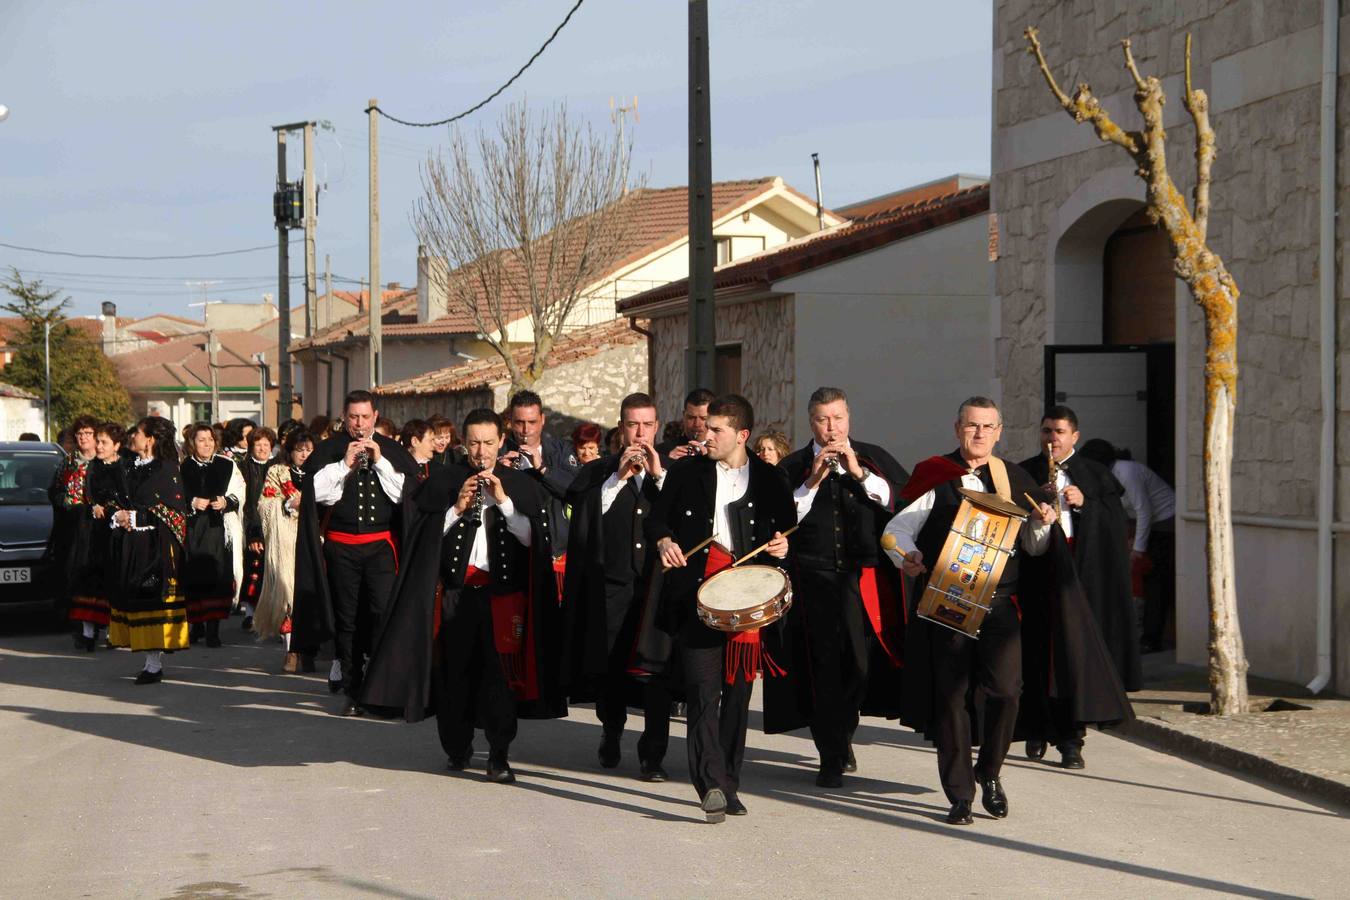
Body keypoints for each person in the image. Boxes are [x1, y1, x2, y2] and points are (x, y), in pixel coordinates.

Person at [883, 397, 1132, 826]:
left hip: (1000, 606)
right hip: (948, 605)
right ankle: (960, 795)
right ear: (957, 427)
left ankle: (990, 772)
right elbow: (896, 529)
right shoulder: (936, 475)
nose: (979, 434)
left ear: (999, 432)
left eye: (987, 427)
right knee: (951, 700)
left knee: (1005, 692)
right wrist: (907, 554)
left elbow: (1035, 549)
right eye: (971, 425)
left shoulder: (1016, 480)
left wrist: (1042, 523)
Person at [361, 408, 564, 783]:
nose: (481, 451)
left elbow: (533, 539)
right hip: (455, 595)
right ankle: (457, 745)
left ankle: (499, 754)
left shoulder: (519, 484)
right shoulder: (444, 480)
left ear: (501, 441)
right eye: (473, 443)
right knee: (454, 673)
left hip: (502, 598)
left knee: (500, 678)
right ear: (463, 443)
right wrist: (455, 508)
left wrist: (503, 502)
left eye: (488, 443)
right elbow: (421, 539)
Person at [646, 394, 795, 823]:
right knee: (702, 692)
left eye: (716, 430)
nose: (705, 435)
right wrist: (664, 541)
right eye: (705, 427)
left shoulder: (772, 480)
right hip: (697, 593)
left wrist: (785, 546)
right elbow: (656, 520)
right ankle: (709, 783)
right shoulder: (685, 473)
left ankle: (730, 780)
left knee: (738, 696)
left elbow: (788, 534)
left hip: (748, 599)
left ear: (741, 435)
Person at [779, 387, 909, 787]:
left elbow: (899, 502)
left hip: (863, 579)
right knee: (823, 669)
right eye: (822, 419)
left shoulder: (872, 457)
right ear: (811, 422)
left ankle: (844, 730)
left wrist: (860, 473)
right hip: (812, 580)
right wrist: (813, 481)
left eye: (837, 418)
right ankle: (830, 755)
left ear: (848, 419)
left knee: (861, 665)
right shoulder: (795, 465)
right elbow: (782, 516)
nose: (831, 427)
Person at [1018, 408, 1139, 769]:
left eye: (1058, 431)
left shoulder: (1096, 475)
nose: (1051, 438)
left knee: (1074, 658)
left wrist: (1086, 505)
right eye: (1045, 431)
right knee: (1036, 652)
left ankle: (1072, 739)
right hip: (1038, 571)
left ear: (1075, 436)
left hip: (1081, 576)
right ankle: (1037, 727)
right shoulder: (1026, 471)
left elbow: (1116, 528)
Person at [562, 393, 672, 781]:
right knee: (611, 674)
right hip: (613, 590)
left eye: (646, 425)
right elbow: (582, 522)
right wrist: (617, 479)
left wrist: (657, 476)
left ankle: (653, 754)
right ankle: (612, 731)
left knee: (657, 675)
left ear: (656, 427)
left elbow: (684, 515)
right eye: (632, 425)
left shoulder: (672, 472)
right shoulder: (600, 473)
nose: (640, 433)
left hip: (657, 592)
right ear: (621, 428)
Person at [291, 390, 419, 715]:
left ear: (375, 416)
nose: (359, 424)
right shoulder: (330, 450)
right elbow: (314, 495)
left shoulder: (391, 451)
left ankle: (382, 688)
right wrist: (343, 465)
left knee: (382, 615)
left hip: (380, 549)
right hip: (341, 548)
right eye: (353, 417)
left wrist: (379, 462)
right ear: (344, 417)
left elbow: (405, 495)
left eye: (365, 417)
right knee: (346, 621)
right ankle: (353, 688)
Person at [107, 416, 190, 684]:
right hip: (131, 543)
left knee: (151, 597)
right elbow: (119, 497)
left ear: (151, 439)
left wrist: (134, 518)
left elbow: (174, 514)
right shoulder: (130, 465)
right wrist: (116, 513)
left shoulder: (167, 469)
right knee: (135, 597)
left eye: (139, 433)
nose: (135, 437)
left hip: (155, 546)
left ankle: (153, 664)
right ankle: (149, 660)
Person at [1082, 439, 1177, 653]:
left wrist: (1138, 550)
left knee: (1155, 581)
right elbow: (1124, 512)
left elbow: (1144, 510)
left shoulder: (1126, 472)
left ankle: (1151, 639)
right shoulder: (1109, 475)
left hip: (1167, 524)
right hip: (1152, 526)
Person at [179, 423, 245, 649]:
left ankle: (213, 630)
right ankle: (196, 625)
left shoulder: (227, 465)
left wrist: (226, 501)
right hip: (194, 528)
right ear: (192, 443)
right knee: (194, 576)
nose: (206, 444)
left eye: (209, 439)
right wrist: (192, 502)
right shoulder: (184, 466)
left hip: (219, 528)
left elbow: (239, 491)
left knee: (218, 576)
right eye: (201, 440)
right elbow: (176, 496)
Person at [256, 428, 314, 672]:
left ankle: (309, 650)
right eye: (300, 450)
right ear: (290, 451)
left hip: (314, 540)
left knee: (311, 596)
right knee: (288, 597)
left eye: (309, 450)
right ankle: (291, 650)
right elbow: (264, 504)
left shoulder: (321, 473)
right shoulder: (277, 472)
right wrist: (287, 504)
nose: (304, 454)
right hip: (285, 542)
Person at [502, 390, 579, 565]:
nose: (525, 430)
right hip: (514, 553)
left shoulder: (561, 450)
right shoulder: (501, 452)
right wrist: (501, 472)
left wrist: (543, 468)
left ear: (542, 420)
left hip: (556, 551)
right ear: (510, 422)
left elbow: (576, 490)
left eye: (532, 422)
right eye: (519, 422)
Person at [72, 422, 128, 649]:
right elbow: (86, 495)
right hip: (93, 533)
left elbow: (128, 498)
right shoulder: (92, 467)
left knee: (113, 581)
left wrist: (113, 509)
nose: (99, 446)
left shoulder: (126, 467)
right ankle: (87, 633)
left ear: (117, 445)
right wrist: (94, 505)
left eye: (104, 442)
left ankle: (111, 631)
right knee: (90, 581)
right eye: (99, 441)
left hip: (117, 534)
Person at [49, 415, 99, 645]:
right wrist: (64, 499)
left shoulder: (103, 462)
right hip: (74, 529)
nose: (83, 438)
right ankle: (82, 628)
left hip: (99, 528)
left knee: (100, 577)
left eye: (88, 433)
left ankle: (103, 626)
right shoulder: (68, 462)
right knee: (76, 577)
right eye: (79, 434)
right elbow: (54, 490)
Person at [236, 426, 277, 632]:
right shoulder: (242, 468)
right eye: (257, 444)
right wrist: (253, 533)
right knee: (253, 569)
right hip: (250, 525)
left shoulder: (278, 467)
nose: (262, 448)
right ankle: (250, 613)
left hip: (275, 527)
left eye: (266, 444)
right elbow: (248, 504)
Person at [656, 388, 713, 460]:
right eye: (691, 417)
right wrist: (669, 462)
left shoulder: (725, 452)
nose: (697, 424)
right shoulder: (662, 451)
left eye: (703, 418)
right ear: (684, 416)